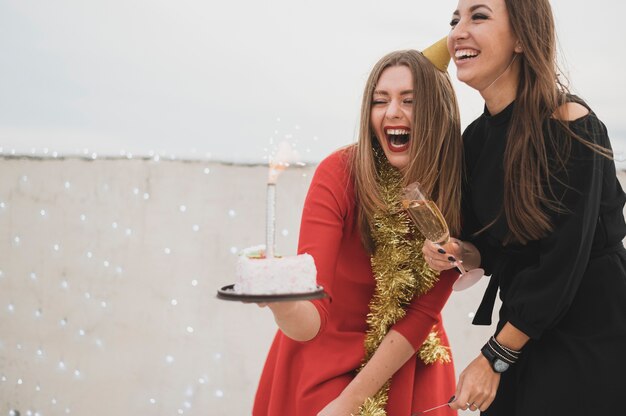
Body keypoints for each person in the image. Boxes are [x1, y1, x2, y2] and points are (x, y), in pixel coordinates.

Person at [423, 0, 626, 414]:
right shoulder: (475, 140)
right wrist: (461, 252)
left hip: (592, 333)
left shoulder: (570, 123)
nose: (459, 30)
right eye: (454, 20)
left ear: (521, 37)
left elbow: (563, 262)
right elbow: (494, 248)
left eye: (478, 16)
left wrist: (496, 357)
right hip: (523, 326)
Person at [252, 42, 462, 416]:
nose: (392, 112)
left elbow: (421, 315)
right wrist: (281, 303)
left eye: (409, 100)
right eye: (380, 101)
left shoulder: (458, 188)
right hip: (322, 363)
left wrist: (350, 404)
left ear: (437, 111)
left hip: (410, 361)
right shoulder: (338, 174)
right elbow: (312, 311)